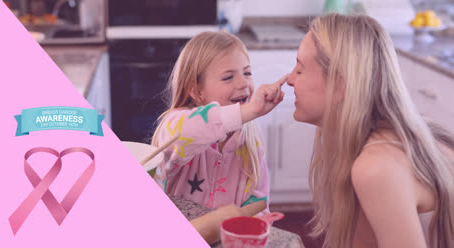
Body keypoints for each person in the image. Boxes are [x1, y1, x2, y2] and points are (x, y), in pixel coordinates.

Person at [286, 14, 454, 248]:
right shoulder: (377, 145)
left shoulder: (377, 167)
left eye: (300, 70)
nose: (289, 79)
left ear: (340, 86)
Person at [151, 31, 288, 212]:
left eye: (247, 73)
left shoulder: (251, 140)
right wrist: (248, 111)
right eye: (228, 77)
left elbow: (257, 204)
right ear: (197, 91)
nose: (243, 83)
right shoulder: (177, 124)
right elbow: (188, 132)